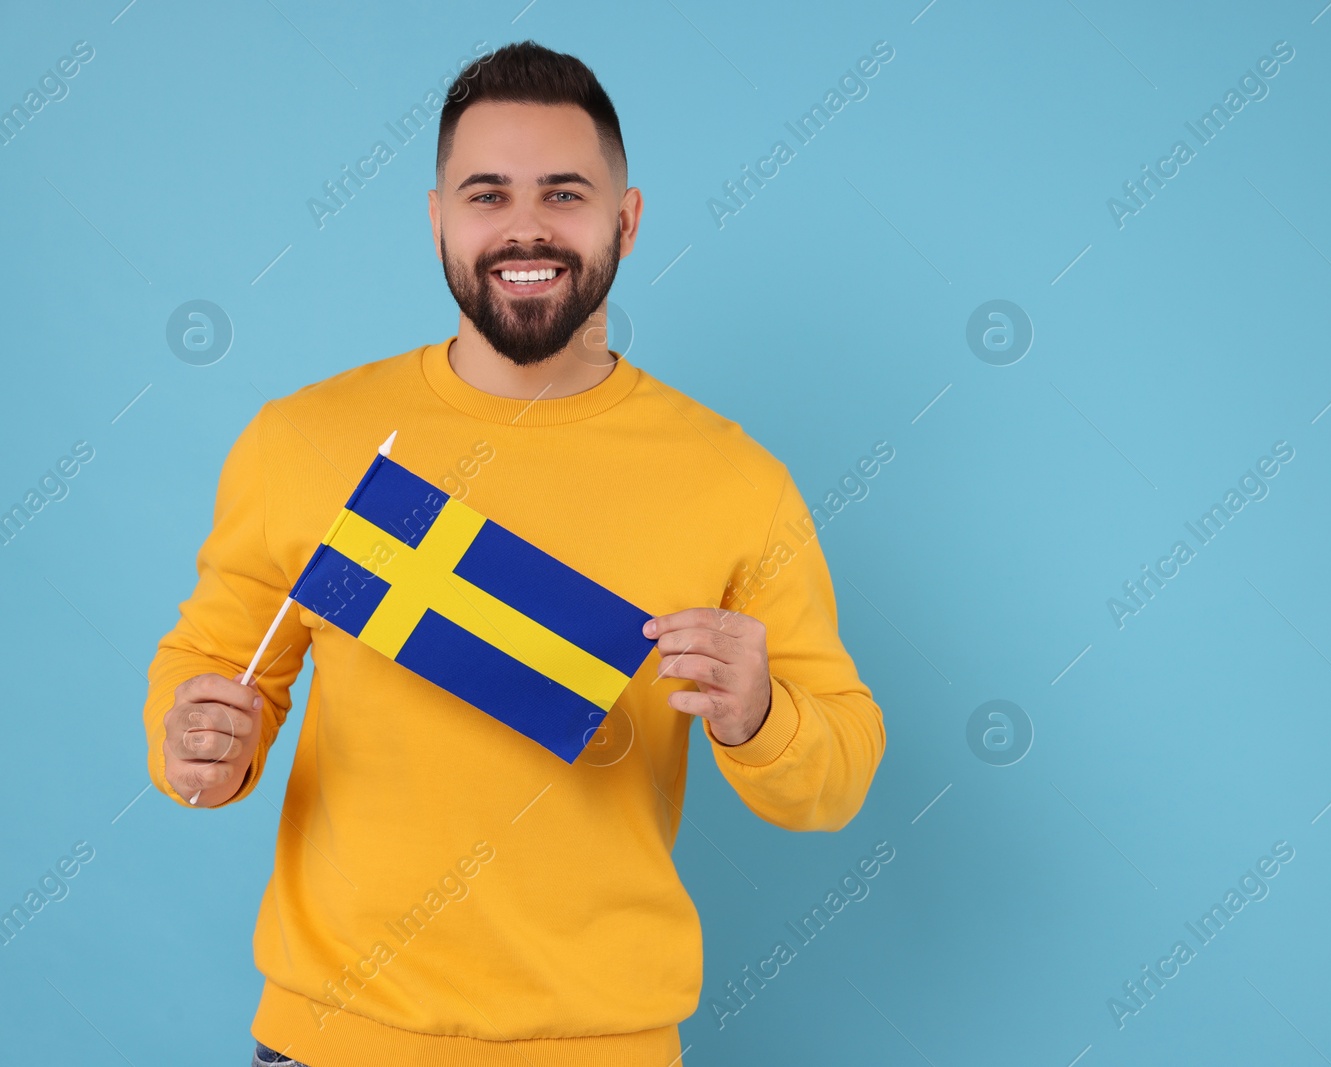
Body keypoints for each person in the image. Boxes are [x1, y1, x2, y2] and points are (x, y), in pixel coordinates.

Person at [141, 39, 886, 1067]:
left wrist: (758, 712)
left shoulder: (734, 479)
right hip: (328, 1039)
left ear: (624, 220)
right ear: (439, 218)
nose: (525, 226)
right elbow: (213, 676)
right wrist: (195, 747)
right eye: (486, 193)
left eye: (564, 193)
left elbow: (835, 775)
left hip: (603, 1044)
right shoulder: (302, 441)